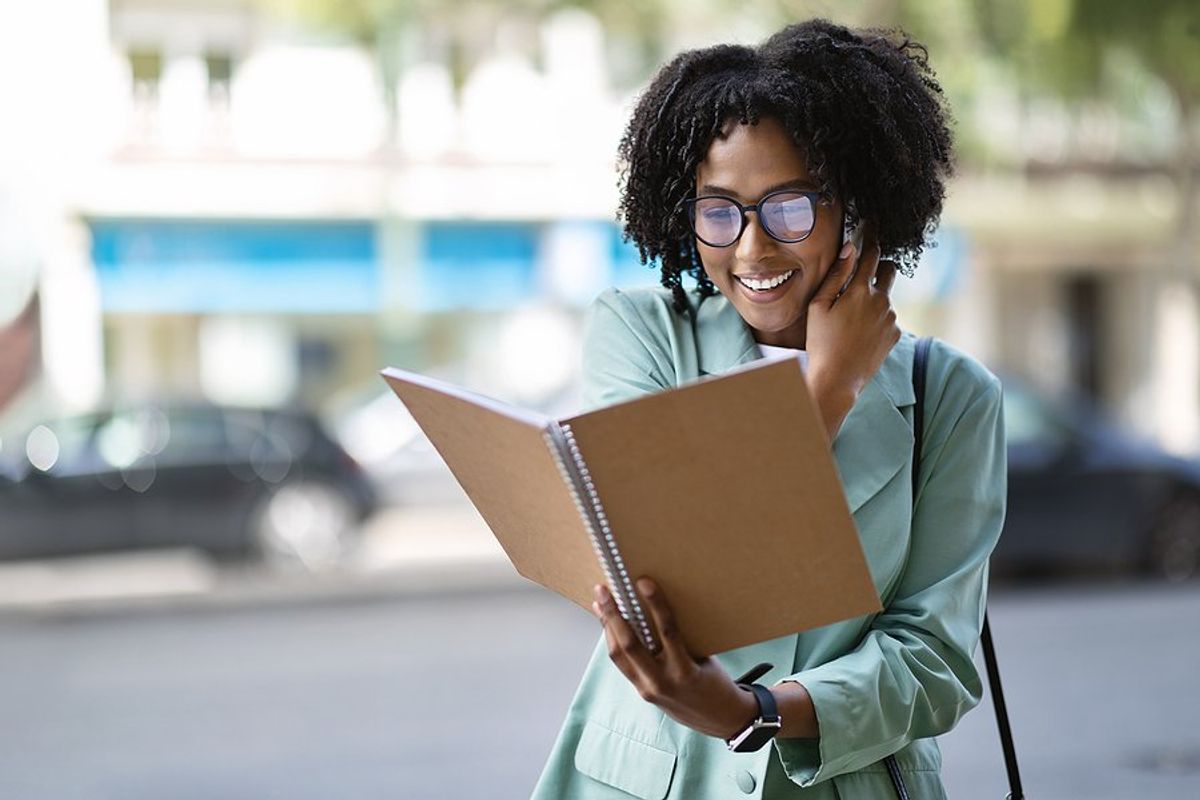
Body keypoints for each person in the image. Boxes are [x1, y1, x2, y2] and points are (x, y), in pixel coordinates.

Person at [531, 18, 1006, 800]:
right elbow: (668, 571)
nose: (751, 250)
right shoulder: (642, 335)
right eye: (719, 211)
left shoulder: (951, 397)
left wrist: (758, 713)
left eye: (789, 207)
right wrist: (824, 393)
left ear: (857, 205)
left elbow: (935, 660)